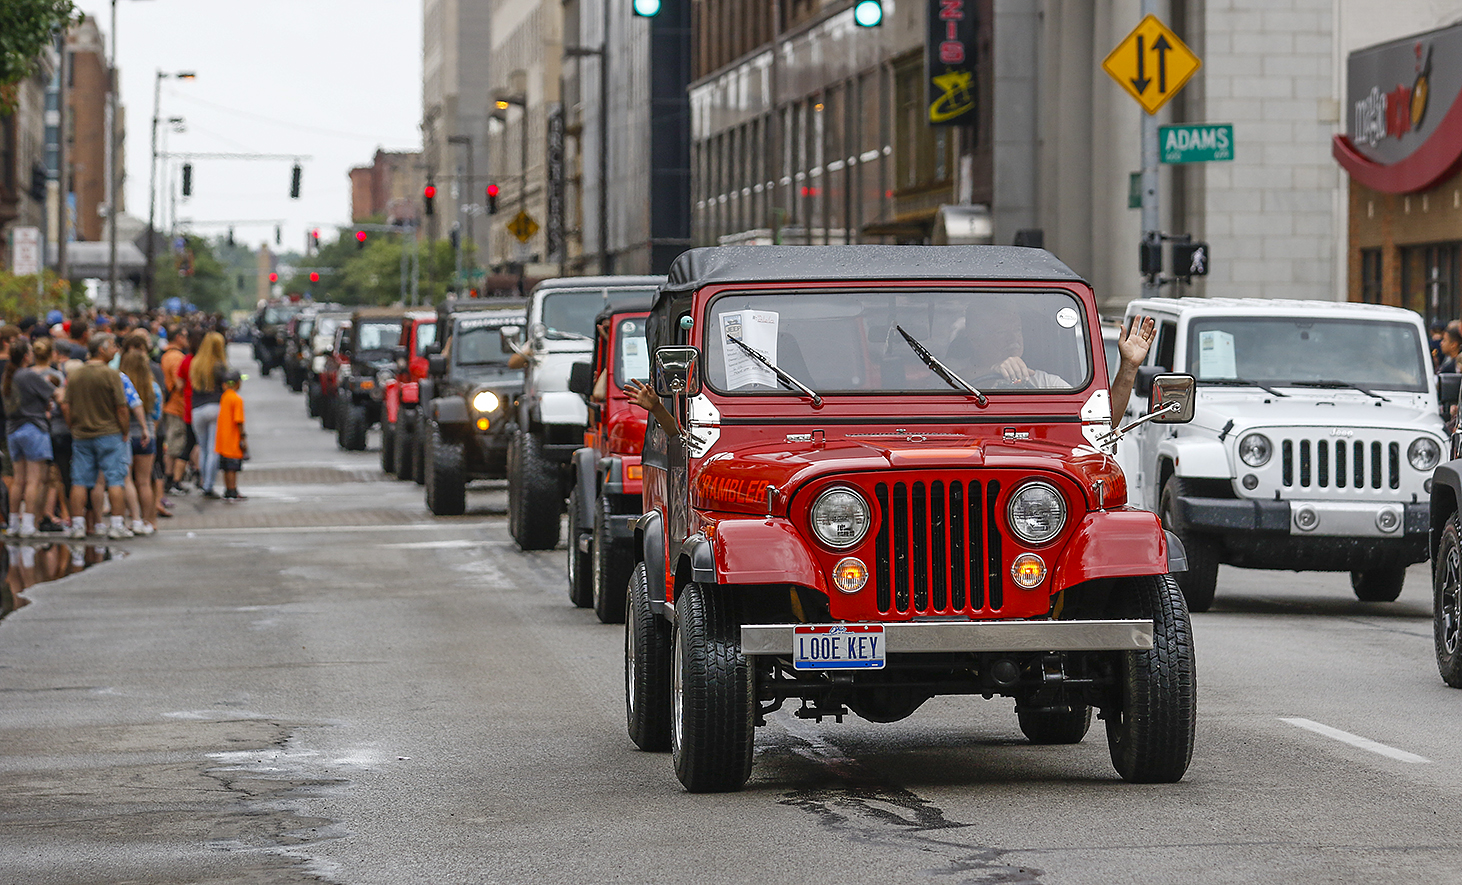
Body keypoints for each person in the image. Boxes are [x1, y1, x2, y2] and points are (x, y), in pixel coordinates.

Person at [62, 333, 138, 539]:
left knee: (79, 480)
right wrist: (124, 431)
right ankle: (116, 524)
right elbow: (121, 407)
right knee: (115, 480)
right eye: (112, 346)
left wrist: (73, 426)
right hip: (109, 433)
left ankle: (77, 526)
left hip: (82, 434)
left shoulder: (76, 374)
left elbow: (66, 405)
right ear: (102, 349)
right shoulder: (111, 375)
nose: (116, 350)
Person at [3, 338, 61, 538]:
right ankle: (28, 522)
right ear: (27, 356)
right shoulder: (30, 375)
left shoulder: (8, 376)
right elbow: (56, 394)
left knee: (19, 479)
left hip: (13, 430)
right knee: (34, 480)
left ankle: (13, 523)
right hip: (34, 428)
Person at [120, 349, 160, 534]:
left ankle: (132, 518)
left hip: (125, 435)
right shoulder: (153, 388)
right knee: (144, 482)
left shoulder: (120, 384)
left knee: (126, 480)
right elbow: (158, 414)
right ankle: (149, 520)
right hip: (147, 436)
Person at [189, 331, 229, 498]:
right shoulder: (220, 365)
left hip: (197, 408)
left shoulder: (196, 363)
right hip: (215, 407)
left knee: (203, 448)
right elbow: (229, 384)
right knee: (213, 449)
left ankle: (203, 479)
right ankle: (208, 485)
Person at [215, 370, 248, 501]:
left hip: (222, 439)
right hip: (232, 439)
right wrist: (243, 437)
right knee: (233, 468)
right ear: (237, 383)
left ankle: (228, 489)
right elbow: (239, 420)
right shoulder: (236, 399)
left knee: (225, 467)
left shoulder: (224, 397)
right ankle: (233, 489)